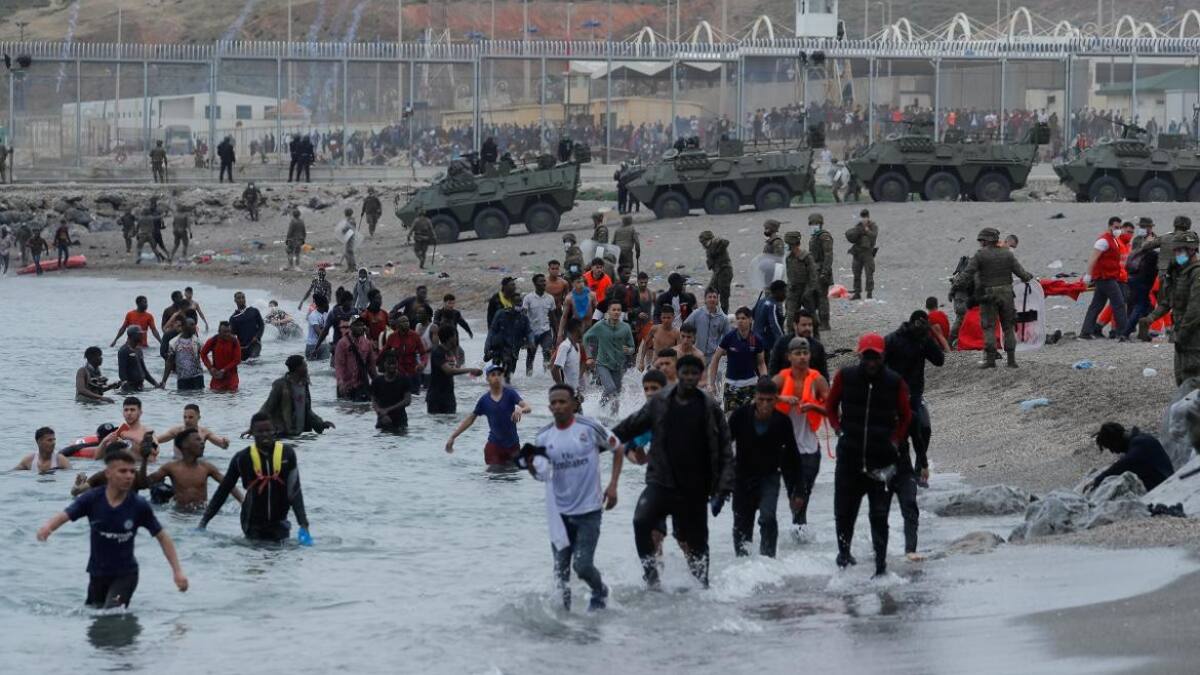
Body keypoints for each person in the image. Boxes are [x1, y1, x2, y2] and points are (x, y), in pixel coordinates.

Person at [612, 355, 734, 588]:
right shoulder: (659, 401)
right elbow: (628, 427)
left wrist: (723, 488)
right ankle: (652, 579)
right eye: (684, 373)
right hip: (661, 480)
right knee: (641, 521)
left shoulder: (710, 407)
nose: (688, 377)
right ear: (678, 374)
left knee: (696, 543)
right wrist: (593, 444)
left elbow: (725, 450)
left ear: (700, 376)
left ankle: (703, 588)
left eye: (693, 373)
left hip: (695, 488)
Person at [38, 448, 189, 608]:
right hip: (97, 573)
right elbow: (66, 514)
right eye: (123, 471)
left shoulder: (138, 505)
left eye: (132, 471)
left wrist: (177, 572)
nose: (129, 476)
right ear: (108, 473)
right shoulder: (92, 499)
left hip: (126, 574)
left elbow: (162, 537)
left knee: (112, 612)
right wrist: (48, 527)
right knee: (95, 618)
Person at [528, 384, 623, 611]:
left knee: (582, 565)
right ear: (549, 406)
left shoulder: (589, 427)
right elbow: (541, 472)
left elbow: (617, 448)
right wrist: (531, 467)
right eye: (554, 403)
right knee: (560, 573)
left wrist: (613, 485)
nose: (558, 406)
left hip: (589, 510)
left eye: (563, 402)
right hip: (558, 515)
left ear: (573, 404)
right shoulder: (543, 436)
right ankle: (564, 624)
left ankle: (600, 591)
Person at [826, 333, 912, 577]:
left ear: (882, 356)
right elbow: (830, 406)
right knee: (844, 513)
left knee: (879, 515)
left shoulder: (895, 382)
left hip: (881, 462)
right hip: (849, 459)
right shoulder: (845, 377)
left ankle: (881, 567)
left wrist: (895, 442)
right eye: (867, 357)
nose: (871, 362)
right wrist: (838, 429)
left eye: (875, 357)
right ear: (860, 356)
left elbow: (906, 416)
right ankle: (843, 555)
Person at [884, 311, 945, 557]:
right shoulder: (894, 339)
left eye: (926, 327)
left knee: (924, 428)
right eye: (921, 326)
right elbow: (881, 363)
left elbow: (940, 360)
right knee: (900, 438)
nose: (923, 329)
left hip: (916, 396)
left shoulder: (923, 340)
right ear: (911, 324)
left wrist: (930, 338)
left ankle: (920, 465)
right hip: (894, 398)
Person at [200, 412, 312, 544]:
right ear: (252, 432)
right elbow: (223, 490)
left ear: (275, 430)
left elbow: (295, 492)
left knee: (279, 557)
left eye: (268, 430)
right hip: (252, 524)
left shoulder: (287, 454)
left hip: (280, 523)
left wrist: (303, 525)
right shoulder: (242, 458)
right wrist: (204, 522)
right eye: (259, 431)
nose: (264, 435)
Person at [729, 378, 801, 557]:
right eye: (761, 399)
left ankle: (768, 561)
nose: (765, 404)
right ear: (755, 398)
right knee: (741, 524)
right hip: (742, 477)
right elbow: (722, 446)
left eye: (770, 400)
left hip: (769, 477)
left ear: (776, 400)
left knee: (768, 518)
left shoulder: (782, 422)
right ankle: (743, 565)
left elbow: (793, 457)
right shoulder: (740, 416)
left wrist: (798, 491)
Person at [772, 337, 829, 536]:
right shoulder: (780, 378)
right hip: (786, 448)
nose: (802, 357)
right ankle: (799, 530)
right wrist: (781, 398)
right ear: (789, 357)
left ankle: (798, 529)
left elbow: (832, 410)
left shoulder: (817, 379)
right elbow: (761, 399)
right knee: (793, 494)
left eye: (805, 353)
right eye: (798, 353)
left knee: (803, 493)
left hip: (811, 448)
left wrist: (814, 406)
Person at [445, 365, 531, 466]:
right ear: (487, 379)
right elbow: (470, 420)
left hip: (513, 446)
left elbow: (528, 407)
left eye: (499, 374)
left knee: (513, 477)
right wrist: (453, 437)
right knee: (494, 476)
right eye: (493, 375)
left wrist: (521, 409)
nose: (497, 377)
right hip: (494, 447)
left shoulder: (510, 394)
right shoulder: (484, 400)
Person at [138, 429, 243, 510]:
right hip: (178, 514)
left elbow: (229, 485)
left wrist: (243, 502)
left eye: (202, 440)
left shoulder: (207, 468)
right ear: (184, 445)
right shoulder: (171, 468)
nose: (202, 442)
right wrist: (144, 459)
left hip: (201, 511)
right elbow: (143, 484)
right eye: (197, 439)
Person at [260, 355, 336, 437]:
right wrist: (255, 428)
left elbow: (307, 410)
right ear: (297, 368)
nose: (307, 368)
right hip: (282, 434)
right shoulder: (280, 385)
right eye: (304, 366)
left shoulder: (303, 385)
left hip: (300, 434)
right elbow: (268, 407)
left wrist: (321, 424)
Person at [708, 307, 767, 412]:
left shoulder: (757, 339)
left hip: (750, 385)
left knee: (749, 418)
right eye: (738, 318)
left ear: (750, 320)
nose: (740, 321)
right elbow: (715, 359)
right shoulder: (729, 337)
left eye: (743, 318)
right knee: (731, 420)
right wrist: (712, 384)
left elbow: (761, 363)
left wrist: (764, 380)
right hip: (731, 385)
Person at [1081, 217, 1131, 340]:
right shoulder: (1103, 241)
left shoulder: (1113, 240)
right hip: (1105, 278)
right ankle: (1123, 332)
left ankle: (1086, 331)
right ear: (1109, 226)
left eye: (1119, 228)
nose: (1118, 230)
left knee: (1097, 305)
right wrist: (1088, 275)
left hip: (1108, 277)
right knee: (1119, 303)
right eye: (1116, 227)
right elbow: (1093, 257)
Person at [1087, 423, 1174, 493]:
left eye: (1111, 447)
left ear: (1116, 441)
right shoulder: (1139, 439)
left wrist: (1098, 479)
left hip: (1165, 487)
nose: (1114, 452)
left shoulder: (1141, 443)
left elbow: (1124, 464)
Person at [584, 301, 636, 415]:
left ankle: (610, 415)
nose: (616, 312)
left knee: (616, 393)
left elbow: (633, 347)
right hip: (602, 364)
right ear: (608, 312)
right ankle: (607, 414)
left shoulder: (625, 327)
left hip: (618, 366)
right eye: (614, 310)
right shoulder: (600, 325)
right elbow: (586, 338)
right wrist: (589, 357)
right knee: (611, 389)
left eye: (619, 310)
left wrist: (629, 350)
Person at [1166, 232, 1200, 385]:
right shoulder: (1181, 273)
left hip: (1193, 336)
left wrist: (1183, 333)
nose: (1176, 254)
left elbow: (1195, 308)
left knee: (1191, 379)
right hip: (1182, 334)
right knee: (1181, 376)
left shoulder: (1196, 273)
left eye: (1180, 250)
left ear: (1191, 250)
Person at [427, 324, 484, 415]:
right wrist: (471, 370)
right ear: (450, 338)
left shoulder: (450, 352)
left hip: (449, 396)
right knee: (437, 424)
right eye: (455, 336)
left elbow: (455, 368)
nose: (457, 338)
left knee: (451, 423)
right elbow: (449, 371)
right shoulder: (438, 352)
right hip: (436, 397)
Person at [333, 318, 378, 401]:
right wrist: (340, 382)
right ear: (351, 326)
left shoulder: (367, 343)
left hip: (362, 384)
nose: (360, 327)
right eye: (357, 325)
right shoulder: (342, 343)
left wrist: (378, 382)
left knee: (364, 409)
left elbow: (371, 366)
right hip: (346, 385)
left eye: (361, 325)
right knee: (345, 409)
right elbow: (339, 365)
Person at [486, 301, 531, 381]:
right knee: (497, 364)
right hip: (500, 346)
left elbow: (527, 332)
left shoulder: (523, 317)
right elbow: (492, 332)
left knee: (510, 369)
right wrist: (488, 348)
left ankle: (506, 381)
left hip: (515, 346)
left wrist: (527, 342)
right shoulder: (502, 315)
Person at [156, 403, 230, 452]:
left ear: (198, 417)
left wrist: (225, 442)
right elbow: (156, 441)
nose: (187, 420)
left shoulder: (204, 432)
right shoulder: (176, 431)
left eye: (190, 417)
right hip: (178, 463)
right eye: (185, 417)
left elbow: (222, 445)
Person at [523, 274, 557, 376]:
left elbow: (553, 317)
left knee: (547, 353)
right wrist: (523, 335)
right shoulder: (528, 298)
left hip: (546, 331)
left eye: (544, 281)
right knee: (531, 355)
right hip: (532, 332)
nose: (543, 283)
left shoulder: (550, 298)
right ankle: (528, 377)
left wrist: (556, 332)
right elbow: (523, 317)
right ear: (535, 283)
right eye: (541, 281)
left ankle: (545, 377)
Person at [682, 288, 730, 360]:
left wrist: (721, 349)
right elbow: (684, 327)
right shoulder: (697, 313)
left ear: (717, 300)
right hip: (696, 353)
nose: (712, 299)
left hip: (713, 356)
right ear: (705, 299)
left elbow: (727, 337)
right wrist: (689, 342)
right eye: (709, 297)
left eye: (714, 297)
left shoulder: (723, 318)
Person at [372, 351, 413, 432]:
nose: (392, 366)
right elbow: (374, 402)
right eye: (389, 363)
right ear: (384, 364)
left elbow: (407, 401)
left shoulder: (404, 379)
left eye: (394, 363)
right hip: (382, 421)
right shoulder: (377, 381)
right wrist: (381, 413)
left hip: (400, 422)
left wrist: (388, 410)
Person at [160, 318, 205, 391]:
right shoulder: (174, 342)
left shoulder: (197, 341)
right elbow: (169, 362)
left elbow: (204, 356)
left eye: (195, 325)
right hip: (182, 378)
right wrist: (164, 381)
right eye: (192, 325)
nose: (194, 327)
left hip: (197, 377)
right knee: (182, 398)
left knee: (198, 398)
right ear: (184, 327)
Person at [784, 230, 818, 326]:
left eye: (787, 243)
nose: (786, 246)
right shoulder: (789, 258)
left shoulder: (806, 257)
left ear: (792, 243)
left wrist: (809, 291)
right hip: (793, 290)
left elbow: (813, 276)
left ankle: (815, 335)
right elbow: (789, 275)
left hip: (806, 290)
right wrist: (789, 290)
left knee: (811, 315)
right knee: (790, 316)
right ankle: (791, 336)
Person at [845, 209, 879, 300]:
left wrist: (867, 230)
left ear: (868, 217)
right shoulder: (858, 226)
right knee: (856, 273)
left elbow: (874, 236)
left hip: (868, 253)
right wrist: (859, 231)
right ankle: (857, 293)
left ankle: (869, 293)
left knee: (869, 274)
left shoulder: (873, 226)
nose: (864, 219)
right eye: (862, 217)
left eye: (865, 217)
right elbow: (852, 236)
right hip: (858, 252)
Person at [200, 321, 243, 392]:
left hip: (231, 377)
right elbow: (203, 354)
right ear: (219, 331)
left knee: (232, 397)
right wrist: (210, 368)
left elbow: (237, 360)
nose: (227, 334)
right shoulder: (213, 340)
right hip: (217, 376)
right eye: (225, 332)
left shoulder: (234, 341)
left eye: (229, 331)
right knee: (215, 397)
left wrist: (224, 370)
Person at [698, 230, 734, 312]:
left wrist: (716, 250)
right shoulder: (708, 249)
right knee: (709, 291)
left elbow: (725, 242)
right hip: (717, 272)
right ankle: (712, 311)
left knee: (724, 295)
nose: (702, 244)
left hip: (724, 271)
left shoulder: (715, 242)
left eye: (703, 241)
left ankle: (724, 315)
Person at [637, 305, 679, 371]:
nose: (666, 320)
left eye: (668, 318)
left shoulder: (676, 333)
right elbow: (646, 344)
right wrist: (641, 361)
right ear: (660, 317)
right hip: (655, 365)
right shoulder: (654, 329)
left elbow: (679, 352)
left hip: (670, 366)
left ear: (673, 317)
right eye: (664, 317)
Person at [552, 318, 586, 395]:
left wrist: (578, 392)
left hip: (575, 393)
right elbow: (554, 369)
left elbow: (574, 374)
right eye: (582, 329)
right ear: (576, 330)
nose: (583, 332)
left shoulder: (577, 346)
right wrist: (562, 388)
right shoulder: (565, 346)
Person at [754, 280, 788, 355]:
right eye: (784, 292)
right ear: (778, 291)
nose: (785, 295)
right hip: (765, 344)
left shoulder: (761, 301)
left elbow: (752, 315)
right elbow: (775, 325)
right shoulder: (773, 306)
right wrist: (783, 341)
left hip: (755, 340)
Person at [229, 291, 265, 360]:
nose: (241, 300)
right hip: (242, 347)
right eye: (239, 298)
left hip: (255, 344)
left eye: (243, 297)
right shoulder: (233, 318)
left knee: (254, 361)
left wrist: (257, 337)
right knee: (245, 365)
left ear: (245, 299)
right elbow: (232, 335)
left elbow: (261, 325)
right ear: (235, 301)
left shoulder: (254, 311)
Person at [304, 293, 331, 361]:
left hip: (323, 346)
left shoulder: (326, 314)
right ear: (323, 305)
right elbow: (319, 333)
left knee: (324, 368)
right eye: (327, 304)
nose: (328, 306)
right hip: (312, 346)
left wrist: (358, 316)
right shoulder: (313, 315)